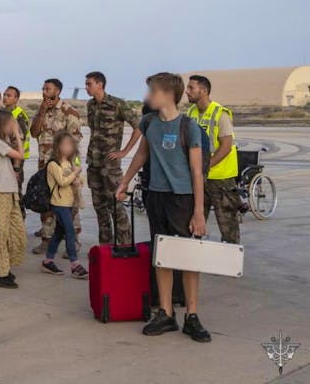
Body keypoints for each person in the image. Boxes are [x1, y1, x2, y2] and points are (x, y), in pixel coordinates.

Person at [116, 73, 211, 342]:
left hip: (182, 199)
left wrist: (199, 212)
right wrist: (124, 181)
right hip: (156, 196)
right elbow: (142, 153)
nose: (147, 97)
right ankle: (165, 313)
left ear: (168, 94)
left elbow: (196, 173)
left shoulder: (189, 127)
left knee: (188, 257)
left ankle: (191, 316)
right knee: (162, 255)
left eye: (152, 91)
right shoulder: (149, 122)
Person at [85, 71, 141, 245]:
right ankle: (106, 247)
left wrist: (124, 151)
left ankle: (125, 246)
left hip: (110, 166)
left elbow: (139, 127)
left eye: (89, 84)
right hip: (93, 163)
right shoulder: (90, 105)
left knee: (115, 207)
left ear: (100, 84)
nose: (86, 87)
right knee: (99, 207)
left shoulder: (117, 104)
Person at [185, 75, 241, 244]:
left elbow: (226, 146)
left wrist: (205, 167)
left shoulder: (220, 113)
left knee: (228, 226)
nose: (187, 92)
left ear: (204, 91)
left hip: (221, 180)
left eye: (191, 88)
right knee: (194, 223)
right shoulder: (190, 113)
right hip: (199, 178)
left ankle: (231, 264)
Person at [29, 78, 83, 254]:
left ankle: (72, 242)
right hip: (45, 165)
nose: (45, 92)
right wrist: (42, 111)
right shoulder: (42, 110)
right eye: (43, 88)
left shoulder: (69, 112)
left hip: (64, 165)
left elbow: (75, 141)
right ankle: (46, 239)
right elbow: (34, 132)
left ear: (58, 91)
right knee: (45, 201)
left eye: (48, 89)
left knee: (69, 204)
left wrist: (69, 167)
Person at [0, 109, 28, 288]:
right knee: (0, 233)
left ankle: (2, 265)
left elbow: (17, 161)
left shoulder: (3, 143)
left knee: (16, 231)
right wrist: (18, 136)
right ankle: (0, 273)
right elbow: (21, 154)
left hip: (9, 190)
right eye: (11, 122)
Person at [40, 132, 88, 280]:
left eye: (70, 144)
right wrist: (74, 175)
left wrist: (78, 177)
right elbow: (62, 181)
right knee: (70, 231)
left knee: (59, 233)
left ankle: (48, 261)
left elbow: (79, 181)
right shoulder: (53, 164)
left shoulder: (70, 162)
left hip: (68, 203)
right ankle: (74, 264)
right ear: (57, 146)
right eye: (65, 144)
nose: (68, 147)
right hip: (59, 203)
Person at [3, 86, 30, 190]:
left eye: (8, 95)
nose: (5, 97)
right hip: (6, 155)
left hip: (16, 158)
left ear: (16, 99)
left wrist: (16, 166)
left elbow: (20, 141)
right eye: (4, 95)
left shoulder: (19, 115)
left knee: (15, 188)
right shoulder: (4, 112)